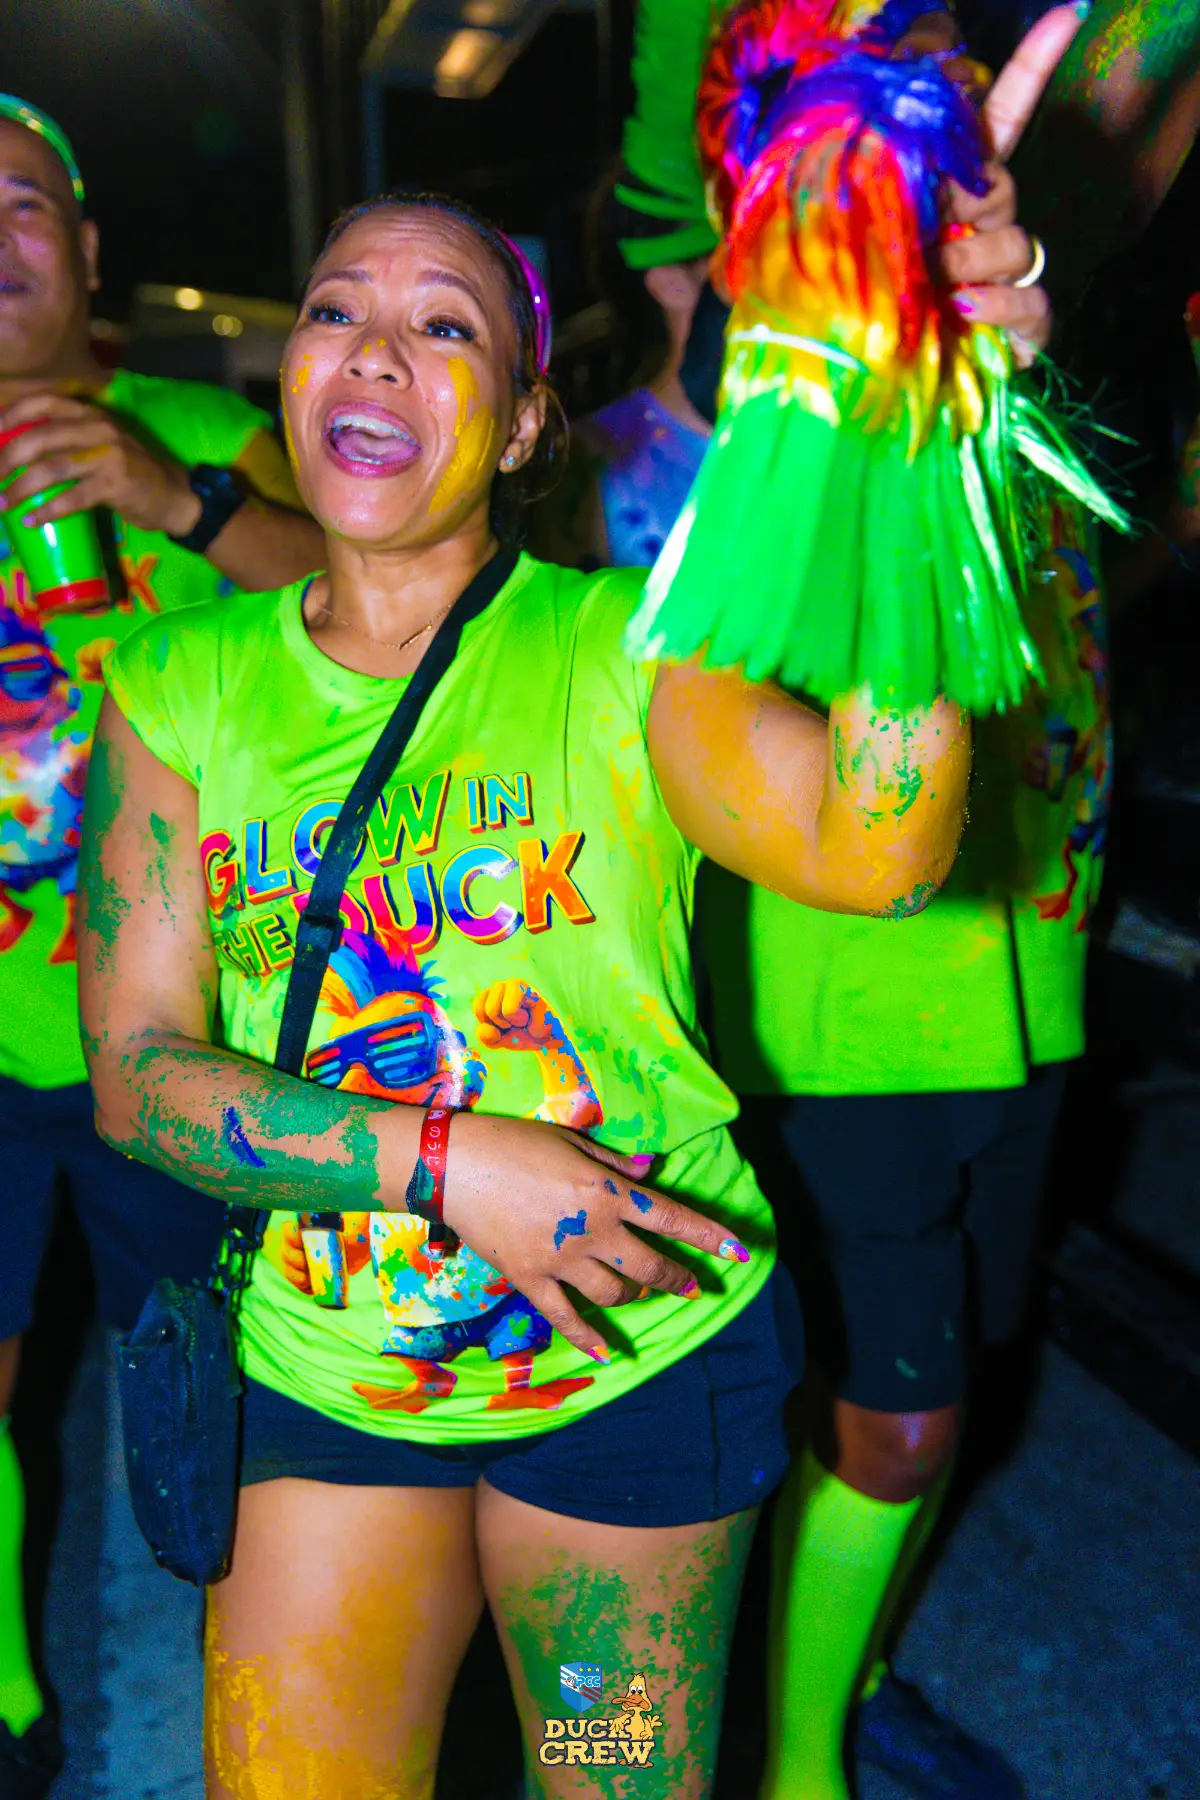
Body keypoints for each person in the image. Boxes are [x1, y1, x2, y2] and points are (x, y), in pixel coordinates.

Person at [76, 189, 974, 1800]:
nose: (374, 350)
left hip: (637, 1375)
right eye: (337, 310)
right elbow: (139, 1078)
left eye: (444, 325)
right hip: (325, 1382)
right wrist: (446, 1164)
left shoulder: (633, 646)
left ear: (521, 424)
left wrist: (911, 471)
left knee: (606, 1770)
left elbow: (880, 844)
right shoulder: (177, 682)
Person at [0, 94, 324, 1796]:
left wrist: (173, 499)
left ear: (86, 246)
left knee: (204, 1397)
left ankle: (266, 1707)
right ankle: (7, 1712)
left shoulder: (208, 429)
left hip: (180, 1030)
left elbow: (368, 602)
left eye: (21, 204)